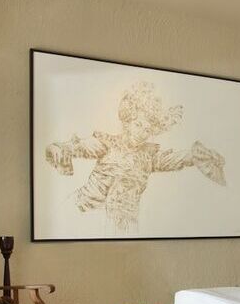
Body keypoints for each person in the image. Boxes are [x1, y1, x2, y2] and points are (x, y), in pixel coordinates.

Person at [45, 81, 225, 231]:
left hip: (122, 225)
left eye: (147, 129)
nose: (141, 133)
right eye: (138, 125)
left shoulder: (149, 156)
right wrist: (62, 148)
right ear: (128, 122)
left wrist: (200, 156)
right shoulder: (108, 143)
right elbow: (80, 147)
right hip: (82, 215)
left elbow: (178, 159)